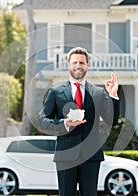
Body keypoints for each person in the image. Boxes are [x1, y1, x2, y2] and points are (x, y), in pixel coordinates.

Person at [39, 47, 120, 196]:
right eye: (74, 62)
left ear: (87, 64)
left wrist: (113, 96)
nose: (78, 66)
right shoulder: (55, 92)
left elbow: (111, 121)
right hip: (65, 155)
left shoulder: (98, 92)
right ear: (69, 64)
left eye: (81, 62)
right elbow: (43, 121)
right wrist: (64, 123)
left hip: (91, 155)